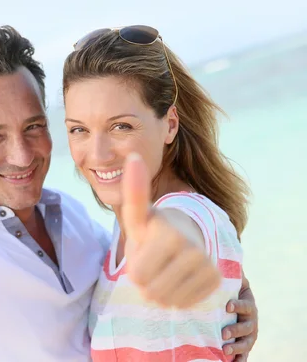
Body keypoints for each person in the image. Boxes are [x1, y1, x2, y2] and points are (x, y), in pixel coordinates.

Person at [0, 26, 258, 362]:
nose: (21, 155)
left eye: (33, 126)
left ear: (169, 125)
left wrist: (225, 292)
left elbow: (169, 236)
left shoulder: (69, 214)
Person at [62, 25, 251, 361]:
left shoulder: (189, 215)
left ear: (170, 124)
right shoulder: (117, 234)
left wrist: (169, 246)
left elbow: (180, 230)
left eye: (121, 126)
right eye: (79, 130)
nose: (98, 153)